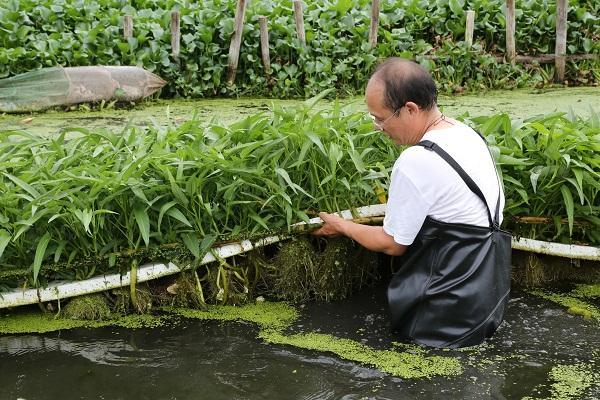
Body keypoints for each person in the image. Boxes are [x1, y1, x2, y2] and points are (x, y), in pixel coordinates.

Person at [313, 57, 511, 348]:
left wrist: (343, 226)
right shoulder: (467, 134)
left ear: (410, 109)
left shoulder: (417, 159)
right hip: (486, 301)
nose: (378, 127)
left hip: (442, 313)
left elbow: (393, 243)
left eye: (380, 118)